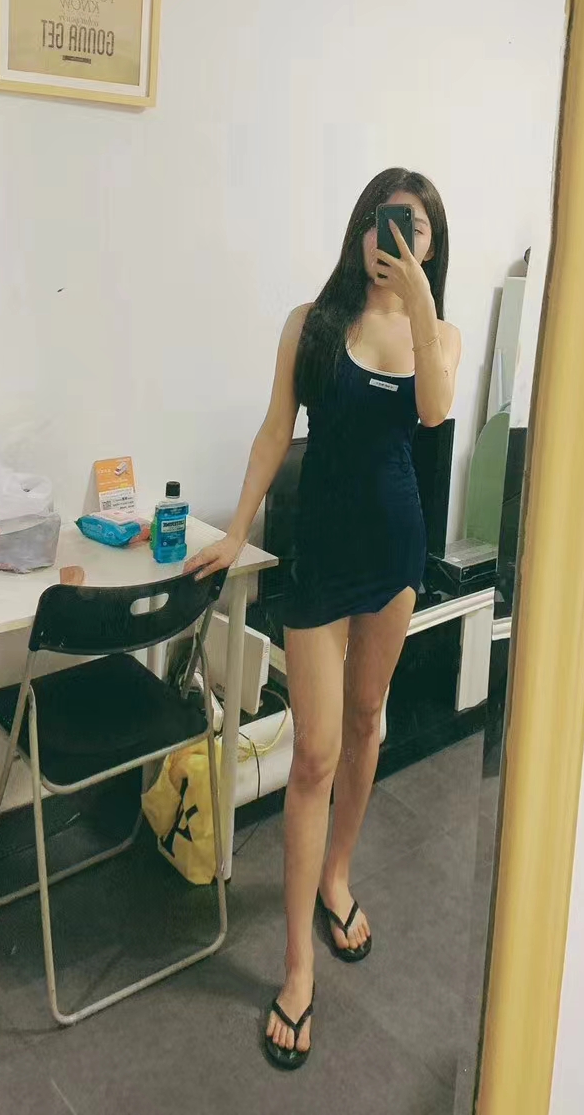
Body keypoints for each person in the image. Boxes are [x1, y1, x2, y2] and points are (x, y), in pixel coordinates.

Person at [185, 168, 461, 1071]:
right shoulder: (310, 325)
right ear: (361, 227)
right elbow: (276, 430)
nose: (398, 237)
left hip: (395, 554)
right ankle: (297, 969)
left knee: (368, 719)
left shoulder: (439, 334)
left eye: (417, 228)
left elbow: (434, 410)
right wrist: (235, 530)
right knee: (313, 754)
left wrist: (419, 298)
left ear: (433, 245)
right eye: (387, 220)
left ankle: (337, 875)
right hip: (320, 555)